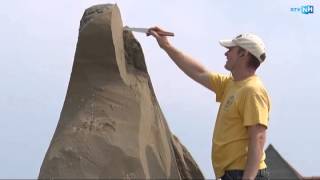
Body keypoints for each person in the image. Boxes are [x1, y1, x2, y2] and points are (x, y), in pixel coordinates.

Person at [148, 27, 270, 180]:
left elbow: (258, 138)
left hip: (244, 174)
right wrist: (166, 46)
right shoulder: (230, 84)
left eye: (231, 49)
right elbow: (199, 72)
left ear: (243, 54)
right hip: (233, 174)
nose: (226, 53)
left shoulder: (253, 90)